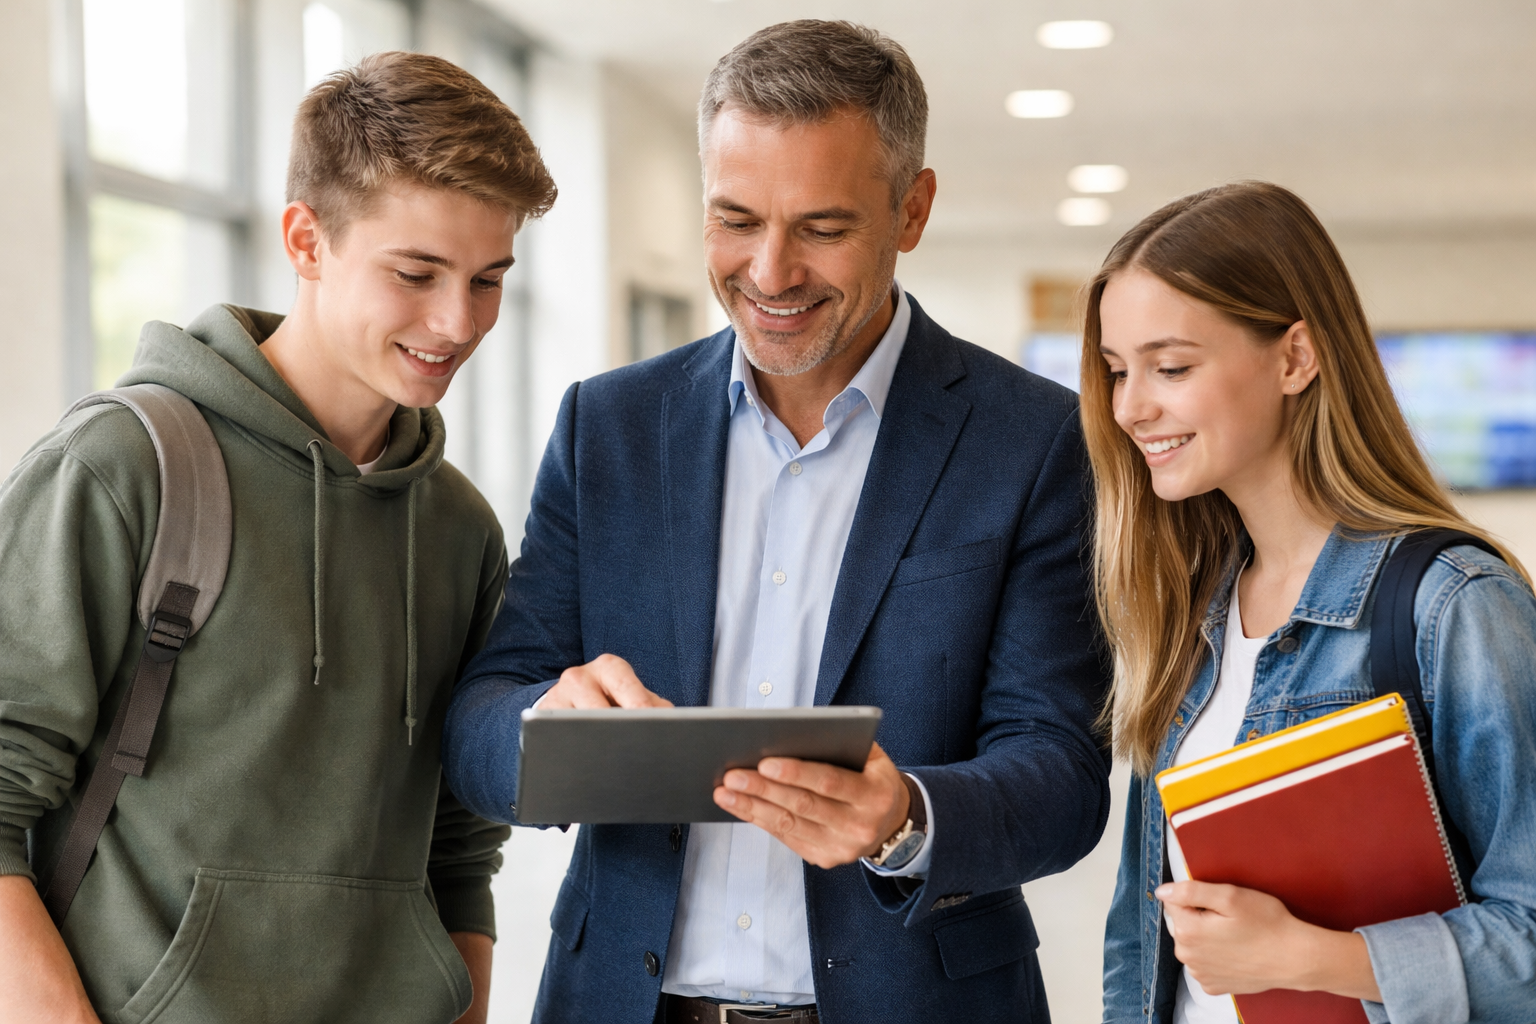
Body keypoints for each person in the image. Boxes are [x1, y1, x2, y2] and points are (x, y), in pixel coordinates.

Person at [443, 20, 1110, 1024]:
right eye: (735, 219)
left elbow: (1061, 771)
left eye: (823, 228)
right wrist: (545, 724)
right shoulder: (610, 426)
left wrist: (907, 817)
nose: (771, 271)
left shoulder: (1030, 438)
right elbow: (482, 717)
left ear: (912, 208)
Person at [0, 52, 556, 1024]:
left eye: (488, 279)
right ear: (307, 239)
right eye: (416, 273)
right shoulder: (121, 467)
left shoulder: (460, 528)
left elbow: (460, 846)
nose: (457, 321)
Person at [1092, 181, 1536, 1024]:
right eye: (1118, 371)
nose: (1130, 407)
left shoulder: (1457, 606)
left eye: (1171, 366)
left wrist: (1309, 957)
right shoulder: (1195, 616)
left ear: (1296, 357)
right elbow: (1142, 941)